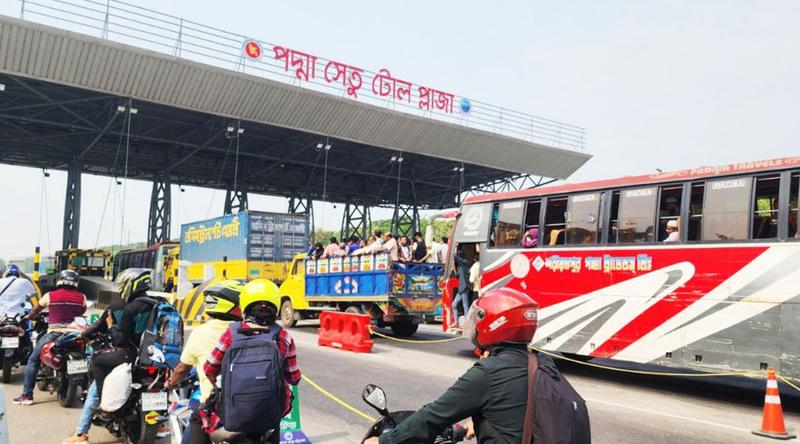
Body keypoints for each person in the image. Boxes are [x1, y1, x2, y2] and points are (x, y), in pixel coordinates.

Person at [366, 288, 543, 443]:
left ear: (495, 324)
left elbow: (433, 416)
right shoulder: (541, 364)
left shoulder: (489, 372)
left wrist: (384, 441)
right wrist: (481, 421)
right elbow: (518, 408)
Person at [203, 280, 301, 444]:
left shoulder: (231, 333)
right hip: (270, 412)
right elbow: (293, 378)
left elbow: (209, 368)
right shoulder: (284, 337)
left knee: (200, 419)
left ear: (245, 305)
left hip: (235, 412)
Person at [166, 280, 243, 444]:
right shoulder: (248, 329)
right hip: (252, 407)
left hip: (215, 408)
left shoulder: (200, 333)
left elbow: (181, 369)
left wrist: (170, 384)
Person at [14, 270, 86, 406]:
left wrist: (29, 317)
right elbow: (82, 311)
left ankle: (26, 396)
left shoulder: (50, 295)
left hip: (55, 333)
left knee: (33, 360)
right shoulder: (82, 297)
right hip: (75, 334)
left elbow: (36, 309)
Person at [62, 297, 128, 443]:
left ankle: (81, 434)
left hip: (121, 354)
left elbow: (101, 326)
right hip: (144, 356)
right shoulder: (148, 306)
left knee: (94, 391)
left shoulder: (117, 306)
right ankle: (160, 425)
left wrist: (83, 335)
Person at [91, 268, 164, 396]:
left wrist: (110, 326)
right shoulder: (161, 303)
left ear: (132, 285)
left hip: (134, 355)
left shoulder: (130, 308)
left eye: (123, 285)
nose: (121, 288)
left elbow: (120, 340)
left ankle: (102, 397)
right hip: (159, 355)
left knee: (96, 359)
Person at [450, 249, 472, 331]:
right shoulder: (460, 266)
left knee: (465, 305)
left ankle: (466, 324)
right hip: (461, 288)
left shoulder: (465, 262)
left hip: (465, 287)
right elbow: (456, 276)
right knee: (454, 305)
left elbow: (455, 257)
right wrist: (454, 267)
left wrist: (453, 248)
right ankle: (456, 322)